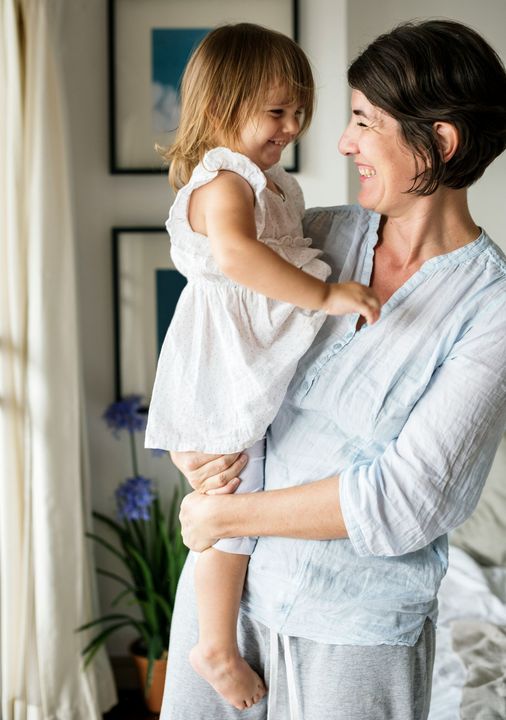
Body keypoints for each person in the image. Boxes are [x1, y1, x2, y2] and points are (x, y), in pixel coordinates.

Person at [161, 18, 506, 720]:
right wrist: (193, 458)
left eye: (362, 121)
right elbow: (214, 347)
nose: (343, 141)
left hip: (352, 632)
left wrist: (224, 511)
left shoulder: (492, 308)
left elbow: (406, 501)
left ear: (439, 142)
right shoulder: (310, 233)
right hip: (224, 603)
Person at [144, 23, 380, 712]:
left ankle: (217, 636)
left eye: (298, 110)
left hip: (246, 369)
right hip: (220, 374)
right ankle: (213, 645)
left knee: (238, 494)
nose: (293, 125)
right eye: (277, 111)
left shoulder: (270, 183)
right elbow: (244, 260)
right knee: (229, 506)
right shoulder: (223, 183)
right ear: (221, 109)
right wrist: (328, 294)